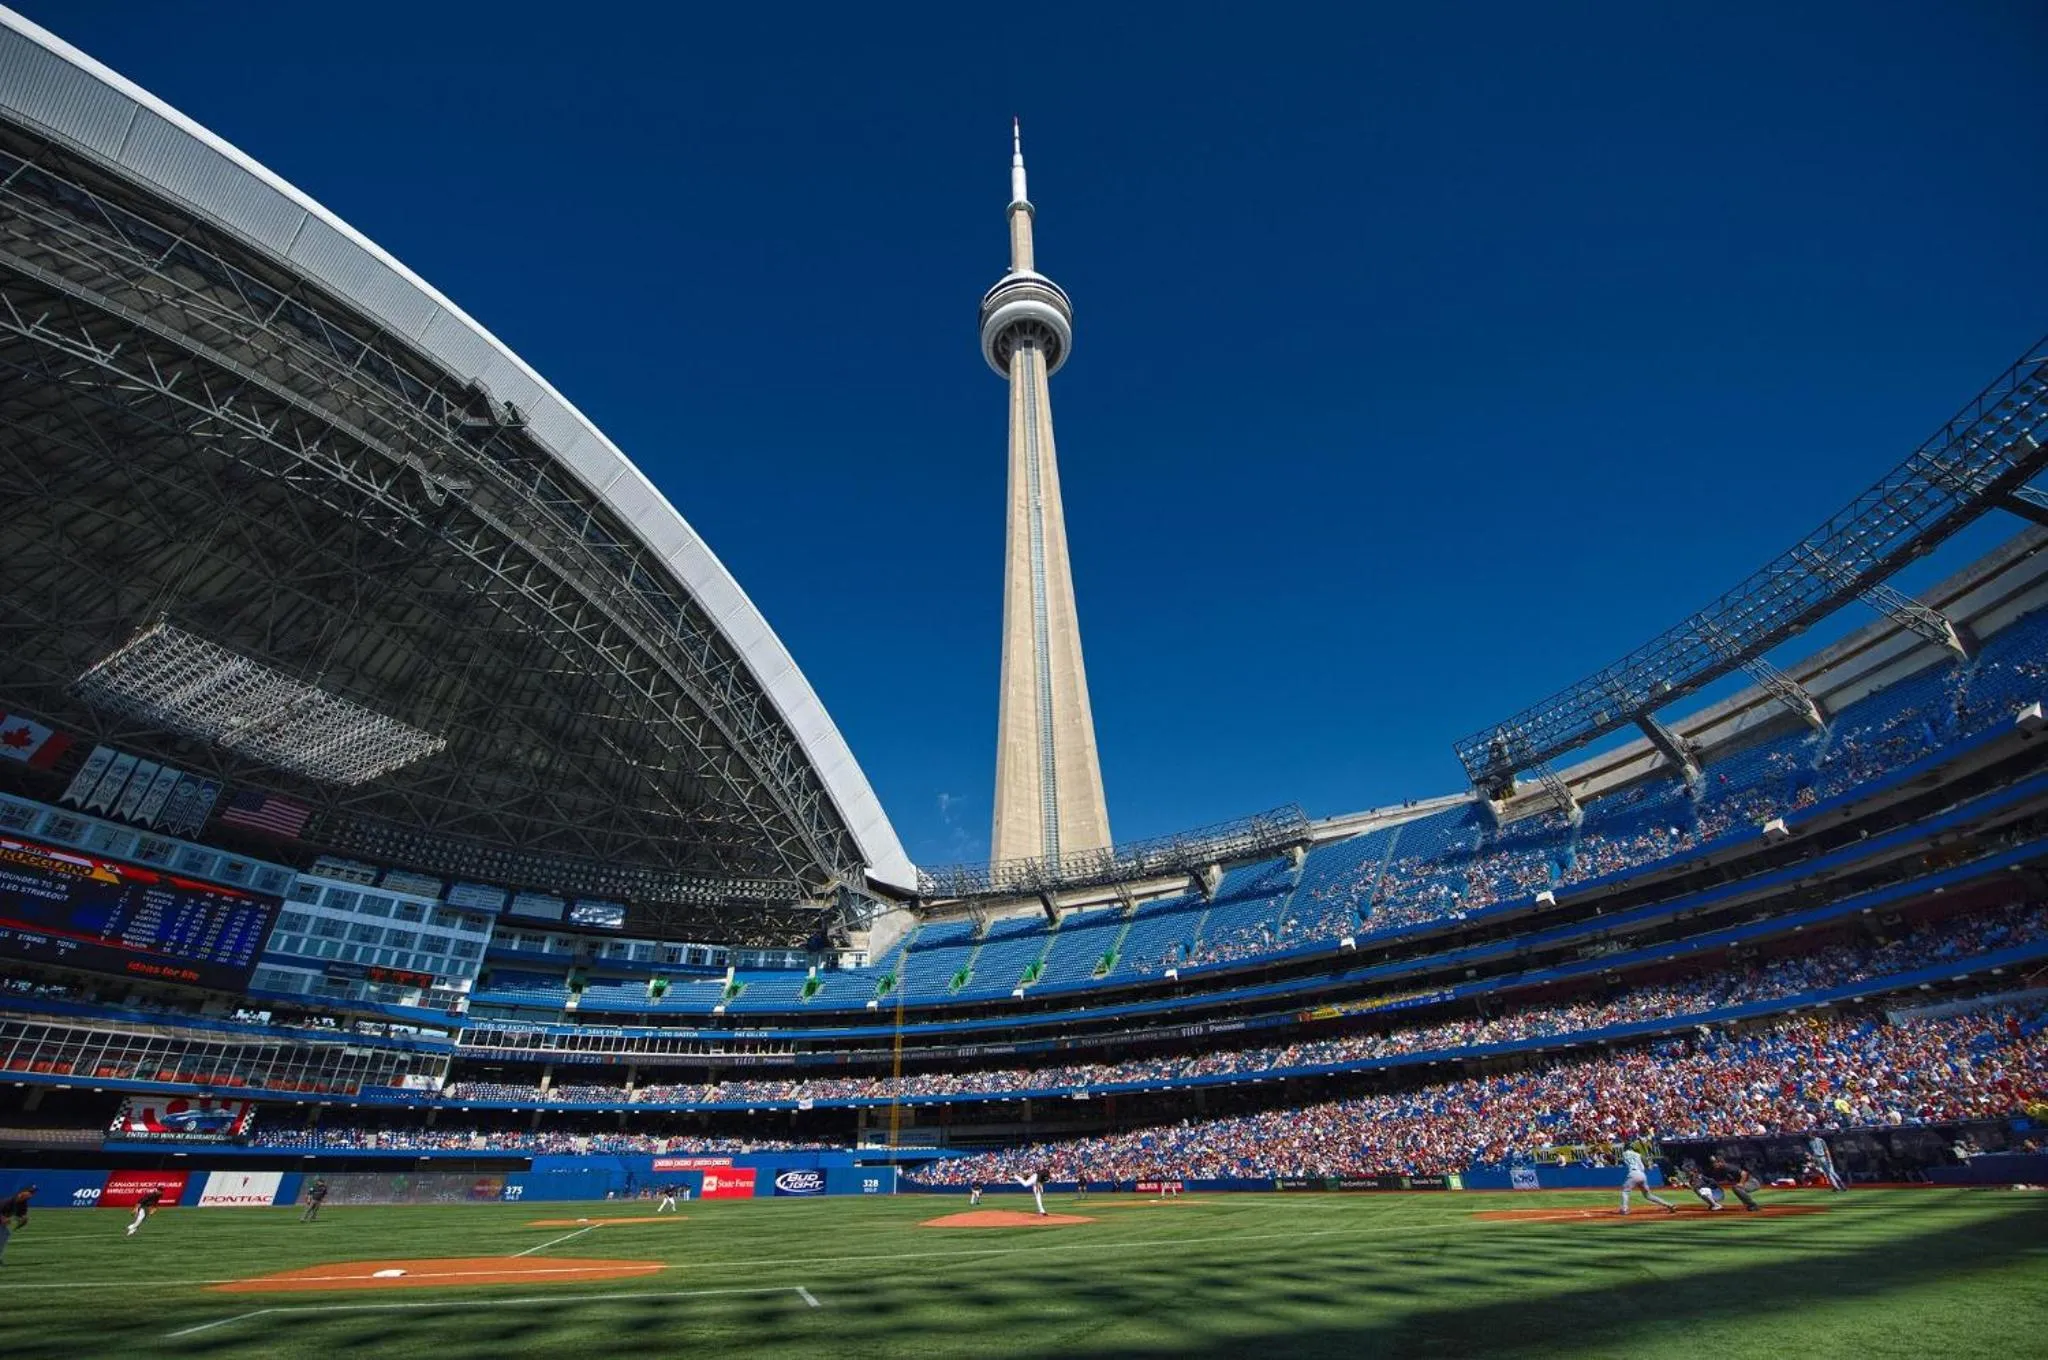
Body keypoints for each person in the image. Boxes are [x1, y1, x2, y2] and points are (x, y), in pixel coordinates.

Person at [1618, 1146, 1677, 1216]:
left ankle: (1624, 1209)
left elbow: (1623, 1157)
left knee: (1625, 1192)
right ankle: (1669, 1205)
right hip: (1642, 1175)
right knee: (1648, 1195)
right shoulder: (1638, 1154)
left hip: (1633, 1174)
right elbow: (1645, 1163)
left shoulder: (1624, 1154)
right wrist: (1649, 1165)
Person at [0, 1184, 31, 1264]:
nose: (30, 1195)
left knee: (5, 1234)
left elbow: (21, 1216)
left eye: (32, 1193)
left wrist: (23, 1220)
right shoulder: (9, 1201)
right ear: (21, 1193)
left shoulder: (23, 1204)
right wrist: (3, 1218)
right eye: (29, 1192)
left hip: (2, 1223)